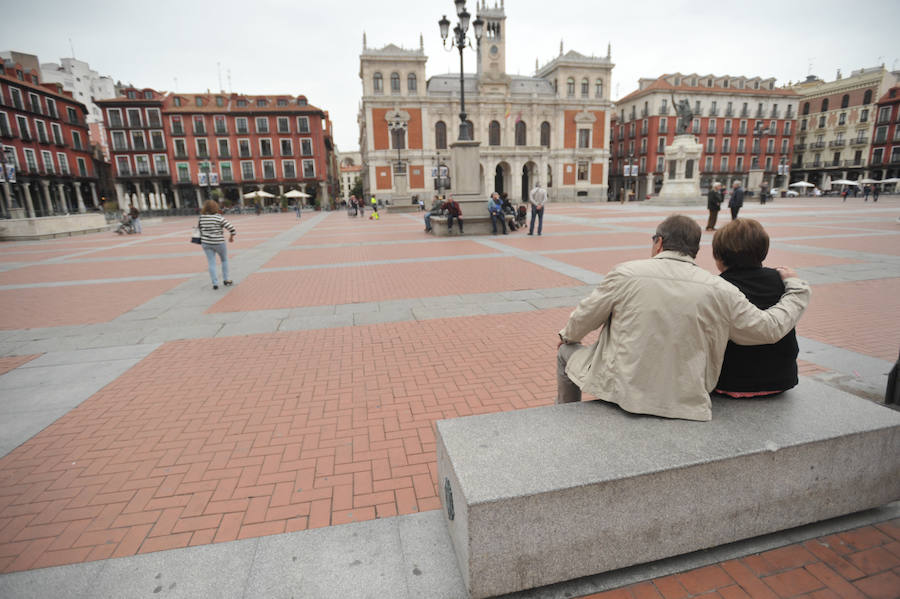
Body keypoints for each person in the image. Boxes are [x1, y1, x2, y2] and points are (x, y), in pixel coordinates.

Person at [556, 214, 810, 421]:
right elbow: (769, 329)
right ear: (696, 251)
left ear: (659, 242)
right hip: (687, 402)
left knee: (565, 352)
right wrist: (797, 291)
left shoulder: (626, 274)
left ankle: (566, 419)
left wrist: (567, 336)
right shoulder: (719, 289)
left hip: (623, 393)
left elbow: (584, 318)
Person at [711, 219, 799, 397]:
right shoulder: (781, 280)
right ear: (763, 252)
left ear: (719, 257)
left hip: (730, 382)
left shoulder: (719, 286)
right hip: (781, 379)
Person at [199, 199, 236, 290]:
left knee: (211, 262)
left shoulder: (202, 218)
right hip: (219, 242)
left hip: (206, 243)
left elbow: (199, 229)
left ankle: (215, 283)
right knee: (224, 260)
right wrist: (231, 237)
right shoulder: (219, 218)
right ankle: (226, 279)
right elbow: (232, 229)